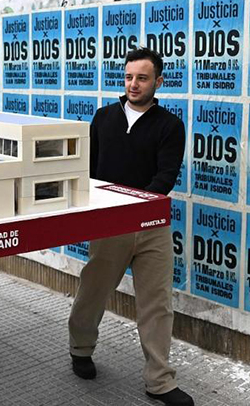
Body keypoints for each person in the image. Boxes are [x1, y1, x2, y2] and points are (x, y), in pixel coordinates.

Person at [67, 48, 194, 406]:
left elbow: (165, 176)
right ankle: (80, 348)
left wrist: (136, 209)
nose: (133, 84)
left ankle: (160, 380)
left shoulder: (170, 125)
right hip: (109, 221)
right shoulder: (103, 117)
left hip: (152, 224)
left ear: (158, 82)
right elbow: (88, 170)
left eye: (142, 78)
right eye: (128, 77)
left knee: (157, 302)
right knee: (93, 290)